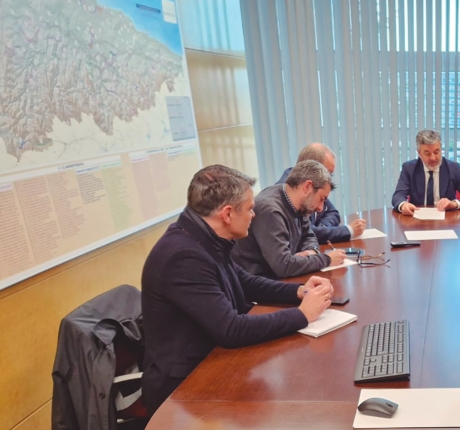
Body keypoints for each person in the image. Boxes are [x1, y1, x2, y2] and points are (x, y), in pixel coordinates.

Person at [141, 165, 334, 415]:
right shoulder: (183, 256)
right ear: (228, 214)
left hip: (213, 361)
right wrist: (303, 315)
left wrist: (298, 292)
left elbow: (244, 280)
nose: (254, 215)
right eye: (250, 208)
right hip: (185, 388)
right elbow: (231, 329)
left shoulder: (204, 237)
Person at [234, 160, 346, 278]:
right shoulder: (271, 210)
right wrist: (327, 259)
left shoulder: (300, 203)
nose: (320, 208)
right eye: (321, 199)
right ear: (308, 187)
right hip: (260, 283)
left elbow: (309, 236)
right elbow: (284, 266)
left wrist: (310, 252)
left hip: (281, 278)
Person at [276, 142, 366, 244]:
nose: (330, 179)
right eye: (328, 173)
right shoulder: (290, 190)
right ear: (313, 167)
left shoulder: (316, 185)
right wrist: (348, 230)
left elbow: (333, 213)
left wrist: (322, 228)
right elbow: (305, 232)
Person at [391, 129, 460, 214]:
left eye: (436, 152)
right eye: (427, 153)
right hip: (418, 220)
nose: (433, 158)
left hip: (447, 221)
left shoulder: (453, 168)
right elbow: (398, 196)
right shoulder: (409, 168)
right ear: (419, 153)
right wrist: (403, 205)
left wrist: (454, 204)